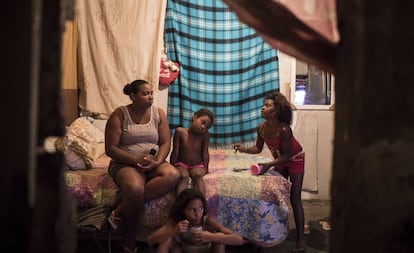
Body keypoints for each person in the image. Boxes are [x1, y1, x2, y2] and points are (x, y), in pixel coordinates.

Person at [105, 79, 180, 253]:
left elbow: (165, 142)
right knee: (135, 188)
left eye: (151, 93)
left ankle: (119, 209)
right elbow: (110, 148)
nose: (151, 97)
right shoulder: (119, 114)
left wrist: (158, 161)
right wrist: (135, 160)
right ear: (132, 96)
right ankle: (129, 242)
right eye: (145, 94)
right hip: (125, 162)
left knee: (173, 175)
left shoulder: (158, 113)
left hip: (152, 161)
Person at [233, 91, 306, 252]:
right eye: (263, 105)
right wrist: (244, 149)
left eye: (267, 105)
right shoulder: (261, 128)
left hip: (295, 159)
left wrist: (269, 164)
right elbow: (258, 148)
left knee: (295, 199)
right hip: (280, 159)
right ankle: (272, 232)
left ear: (276, 110)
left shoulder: (285, 129)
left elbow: (287, 154)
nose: (262, 108)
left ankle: (301, 240)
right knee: (277, 195)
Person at [147, 188, 244, 253]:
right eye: (192, 210)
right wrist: (173, 231)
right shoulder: (178, 221)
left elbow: (239, 240)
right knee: (166, 238)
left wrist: (212, 237)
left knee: (220, 238)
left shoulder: (207, 221)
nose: (198, 214)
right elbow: (150, 240)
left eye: (200, 208)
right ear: (183, 210)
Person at [170, 108, 215, 196]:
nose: (203, 127)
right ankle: (181, 204)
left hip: (197, 165)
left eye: (207, 127)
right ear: (194, 117)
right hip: (181, 164)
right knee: (183, 176)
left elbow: (205, 152)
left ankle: (201, 203)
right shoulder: (180, 132)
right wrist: (172, 167)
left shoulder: (205, 135)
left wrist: (206, 168)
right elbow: (175, 152)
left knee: (198, 175)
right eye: (202, 122)